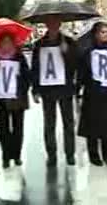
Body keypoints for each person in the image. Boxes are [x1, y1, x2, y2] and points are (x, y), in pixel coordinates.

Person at [31, 17, 77, 166]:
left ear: (60, 24)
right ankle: (51, 155)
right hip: (47, 90)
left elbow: (75, 66)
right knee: (49, 124)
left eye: (56, 23)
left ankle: (70, 154)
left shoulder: (69, 42)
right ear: (46, 24)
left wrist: (66, 53)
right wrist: (35, 89)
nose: (53, 25)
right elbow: (35, 68)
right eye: (50, 23)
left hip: (65, 89)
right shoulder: (39, 45)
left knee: (68, 123)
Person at [77, 22, 107, 166]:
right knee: (93, 125)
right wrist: (78, 88)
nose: (105, 34)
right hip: (93, 93)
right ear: (95, 34)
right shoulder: (87, 52)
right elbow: (82, 73)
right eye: (102, 32)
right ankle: (93, 154)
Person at [0, 33, 31, 168]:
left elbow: (27, 77)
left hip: (17, 98)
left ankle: (17, 155)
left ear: (13, 44)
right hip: (1, 99)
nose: (6, 45)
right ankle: (6, 156)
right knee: (4, 128)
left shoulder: (19, 57)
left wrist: (20, 80)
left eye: (9, 42)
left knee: (18, 128)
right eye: (3, 42)